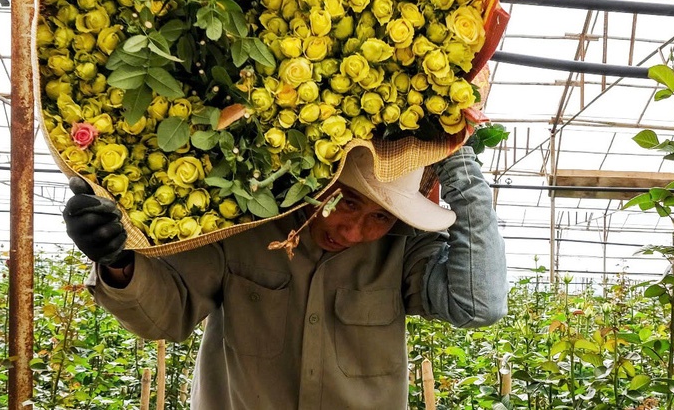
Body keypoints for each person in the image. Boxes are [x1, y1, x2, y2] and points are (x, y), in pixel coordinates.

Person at [63, 143, 507, 409]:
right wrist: (117, 260)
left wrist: (457, 162)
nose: (354, 232)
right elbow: (165, 315)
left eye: (380, 216)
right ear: (318, 184)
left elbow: (478, 304)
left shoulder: (403, 249)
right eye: (347, 203)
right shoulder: (245, 229)